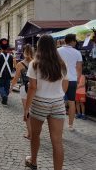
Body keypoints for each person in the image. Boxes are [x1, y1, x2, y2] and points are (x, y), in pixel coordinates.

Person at [24, 35, 68, 170]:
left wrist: (26, 108)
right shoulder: (61, 64)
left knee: (35, 135)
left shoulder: (34, 64)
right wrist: (58, 96)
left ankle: (33, 161)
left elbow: (32, 87)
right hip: (58, 103)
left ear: (39, 47)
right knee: (57, 141)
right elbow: (65, 83)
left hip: (39, 103)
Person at [58, 34, 82, 130]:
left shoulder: (58, 51)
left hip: (60, 79)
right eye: (75, 41)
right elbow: (79, 68)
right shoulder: (77, 52)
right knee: (72, 102)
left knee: (59, 102)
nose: (76, 42)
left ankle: (59, 124)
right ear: (72, 41)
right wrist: (78, 79)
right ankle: (70, 125)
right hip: (72, 79)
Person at [10, 44, 34, 139]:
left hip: (24, 88)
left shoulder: (20, 64)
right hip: (35, 89)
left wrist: (11, 87)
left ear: (23, 52)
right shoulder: (36, 62)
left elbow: (16, 78)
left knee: (27, 110)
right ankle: (35, 132)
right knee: (34, 111)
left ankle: (29, 133)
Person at [0, 38, 14, 105]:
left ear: (2, 49)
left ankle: (4, 96)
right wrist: (10, 73)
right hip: (8, 74)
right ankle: (5, 97)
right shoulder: (11, 57)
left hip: (1, 74)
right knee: (7, 86)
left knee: (0, 86)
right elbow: (11, 67)